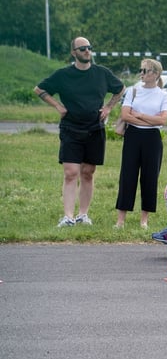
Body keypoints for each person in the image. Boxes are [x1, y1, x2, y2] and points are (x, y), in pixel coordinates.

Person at [33, 37, 125, 227]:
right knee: (71, 172)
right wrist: (58, 106)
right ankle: (68, 217)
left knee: (88, 172)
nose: (87, 51)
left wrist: (108, 107)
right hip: (71, 128)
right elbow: (39, 89)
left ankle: (83, 215)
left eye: (89, 48)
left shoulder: (101, 73)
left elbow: (120, 89)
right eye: (82, 48)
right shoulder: (63, 74)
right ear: (73, 52)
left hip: (94, 128)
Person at [115, 59, 167, 229]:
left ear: (155, 74)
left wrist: (140, 116)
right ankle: (120, 219)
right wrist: (149, 120)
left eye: (145, 70)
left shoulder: (163, 95)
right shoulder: (133, 91)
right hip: (133, 135)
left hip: (152, 138)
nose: (141, 73)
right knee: (128, 175)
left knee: (150, 177)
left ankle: (144, 219)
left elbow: (162, 120)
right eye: (141, 70)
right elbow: (125, 115)